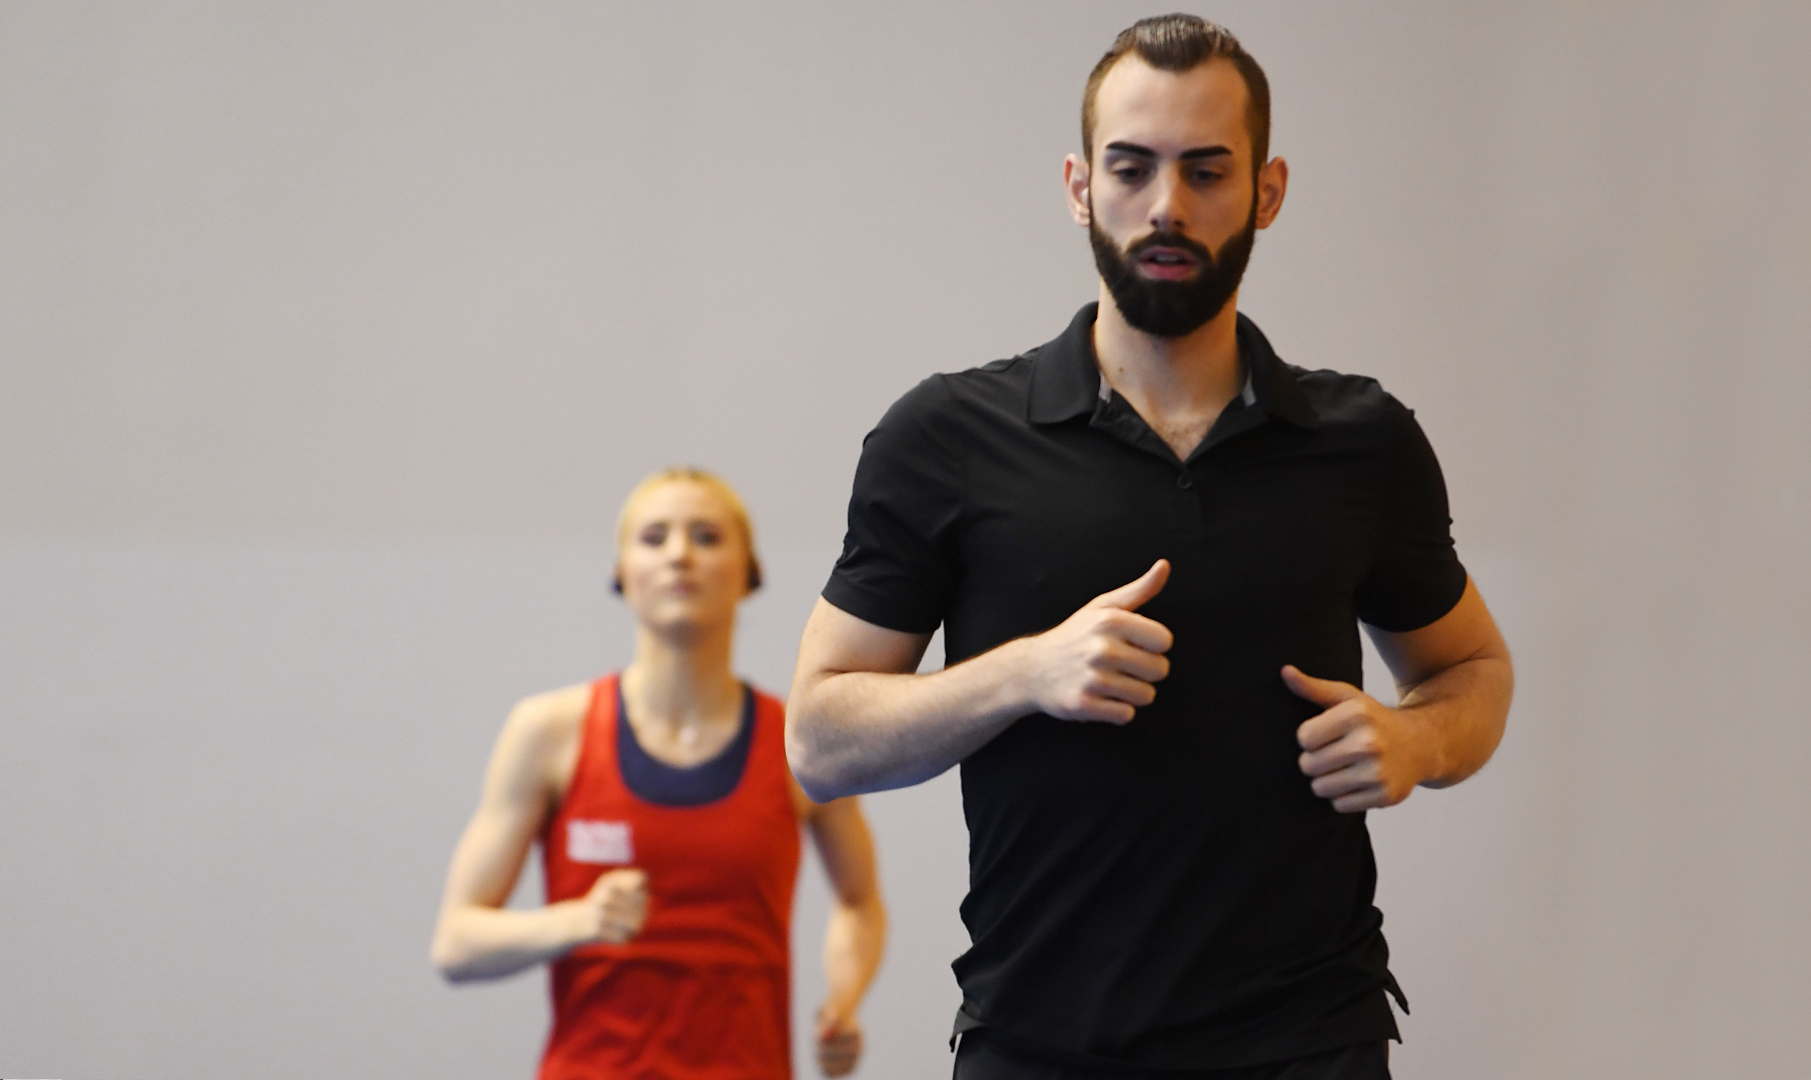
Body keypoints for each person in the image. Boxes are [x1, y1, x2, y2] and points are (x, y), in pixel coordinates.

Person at [786, 15, 1512, 1080]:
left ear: (1265, 191)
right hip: (1039, 1041)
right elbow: (818, 736)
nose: (1165, 205)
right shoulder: (945, 439)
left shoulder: (1360, 442)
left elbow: (1472, 670)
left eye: (1204, 171)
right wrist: (1022, 673)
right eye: (1131, 169)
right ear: (1080, 187)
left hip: (1306, 1039)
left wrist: (1417, 745)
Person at [434, 467, 887, 1080]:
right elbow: (456, 944)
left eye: (705, 536)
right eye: (654, 537)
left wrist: (844, 999)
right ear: (620, 571)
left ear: (749, 572)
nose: (679, 554)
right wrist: (578, 921)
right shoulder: (549, 733)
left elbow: (859, 902)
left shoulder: (800, 743)